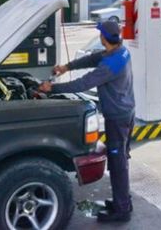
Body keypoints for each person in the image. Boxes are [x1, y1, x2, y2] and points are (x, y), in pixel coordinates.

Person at [38, 20, 135, 223]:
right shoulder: (119, 52)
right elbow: (93, 58)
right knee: (120, 160)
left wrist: (52, 89)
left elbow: (83, 83)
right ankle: (123, 201)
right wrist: (67, 67)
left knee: (117, 162)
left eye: (100, 33)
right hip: (126, 112)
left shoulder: (111, 65)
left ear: (103, 38)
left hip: (117, 118)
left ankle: (122, 210)